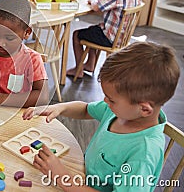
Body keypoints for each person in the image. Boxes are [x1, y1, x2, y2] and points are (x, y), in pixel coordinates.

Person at [23, 41, 180, 191]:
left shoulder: (143, 155)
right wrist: (60, 107)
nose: (106, 101)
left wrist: (63, 177)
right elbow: (85, 109)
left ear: (145, 109)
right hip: (82, 177)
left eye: (111, 99)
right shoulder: (121, 111)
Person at [67, 0, 144, 78]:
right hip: (122, 36)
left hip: (110, 38)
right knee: (93, 30)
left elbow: (97, 7)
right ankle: (90, 64)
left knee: (77, 35)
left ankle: (78, 69)